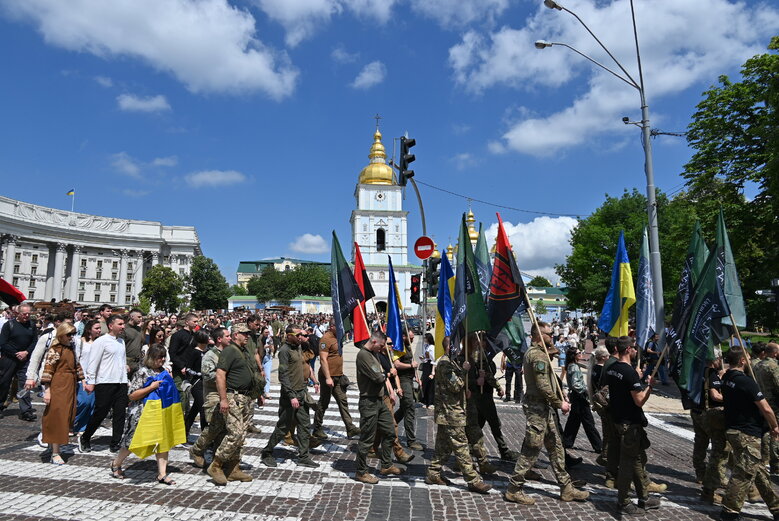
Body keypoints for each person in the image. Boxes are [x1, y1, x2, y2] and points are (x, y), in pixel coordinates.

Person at [504, 321, 588, 505]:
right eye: (549, 334)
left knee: (556, 447)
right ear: (539, 336)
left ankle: (566, 488)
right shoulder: (537, 356)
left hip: (544, 408)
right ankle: (513, 488)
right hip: (537, 409)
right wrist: (560, 404)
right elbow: (542, 386)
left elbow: (550, 379)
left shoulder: (541, 354)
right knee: (531, 449)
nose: (553, 336)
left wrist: (561, 392)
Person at [425, 336, 491, 493]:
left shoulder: (451, 362)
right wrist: (464, 371)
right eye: (455, 346)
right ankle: (473, 480)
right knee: (461, 447)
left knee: (443, 448)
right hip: (450, 413)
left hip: (451, 412)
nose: (459, 349)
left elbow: (457, 388)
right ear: (450, 348)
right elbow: (456, 385)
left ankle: (433, 473)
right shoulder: (444, 364)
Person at [720, 347, 779, 521]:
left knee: (759, 471)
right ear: (742, 361)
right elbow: (766, 408)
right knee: (744, 473)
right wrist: (775, 426)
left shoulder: (727, 378)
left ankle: (776, 507)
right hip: (747, 432)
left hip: (733, 429)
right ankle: (729, 511)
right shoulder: (746, 382)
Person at [606, 335, 660, 515]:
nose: (636, 350)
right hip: (630, 424)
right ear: (628, 350)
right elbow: (639, 401)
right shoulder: (628, 372)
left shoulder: (613, 368)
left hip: (619, 420)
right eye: (634, 348)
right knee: (628, 465)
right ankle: (623, 501)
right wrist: (649, 386)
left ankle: (644, 497)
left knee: (636, 461)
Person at [109, 345, 177, 485]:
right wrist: (151, 387)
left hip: (159, 412)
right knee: (132, 442)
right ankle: (116, 463)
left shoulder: (163, 371)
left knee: (162, 442)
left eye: (163, 356)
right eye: (159, 357)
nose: (162, 359)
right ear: (151, 357)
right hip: (142, 413)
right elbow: (132, 395)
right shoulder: (142, 372)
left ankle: (162, 474)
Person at [206, 323, 257, 485]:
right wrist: (223, 399)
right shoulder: (229, 351)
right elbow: (220, 375)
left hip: (246, 398)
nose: (247, 336)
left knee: (241, 436)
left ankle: (233, 468)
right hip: (233, 396)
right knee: (235, 433)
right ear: (236, 335)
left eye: (248, 333)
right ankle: (216, 465)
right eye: (244, 333)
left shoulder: (243, 351)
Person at [261, 326, 318, 468]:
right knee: (283, 426)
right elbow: (283, 375)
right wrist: (291, 396)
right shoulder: (285, 351)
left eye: (302, 334)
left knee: (304, 425)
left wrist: (313, 382)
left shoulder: (298, 347)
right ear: (289, 335)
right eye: (298, 334)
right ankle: (267, 452)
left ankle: (304, 456)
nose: (300, 337)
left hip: (301, 392)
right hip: (290, 395)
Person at [354, 331, 403, 484]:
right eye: (381, 345)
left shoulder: (374, 354)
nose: (383, 349)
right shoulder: (364, 355)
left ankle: (386, 465)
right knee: (367, 439)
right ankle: (361, 472)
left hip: (380, 400)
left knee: (389, 432)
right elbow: (377, 377)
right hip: (369, 401)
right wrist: (388, 374)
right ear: (374, 342)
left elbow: (380, 373)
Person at [81, 314, 129, 453]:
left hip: (120, 383)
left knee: (120, 414)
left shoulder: (121, 342)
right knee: (100, 412)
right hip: (105, 382)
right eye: (120, 324)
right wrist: (90, 381)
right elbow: (93, 362)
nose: (122, 326)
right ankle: (86, 437)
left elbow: (122, 362)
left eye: (123, 324)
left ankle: (115, 442)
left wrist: (126, 379)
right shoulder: (101, 341)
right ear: (110, 325)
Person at [40, 323, 83, 464]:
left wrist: (83, 380)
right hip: (58, 384)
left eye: (73, 334)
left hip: (69, 384)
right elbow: (48, 369)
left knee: (67, 416)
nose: (72, 337)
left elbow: (76, 365)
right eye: (69, 334)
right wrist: (47, 391)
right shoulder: (55, 349)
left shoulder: (71, 348)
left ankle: (55, 446)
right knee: (57, 416)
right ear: (61, 334)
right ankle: (55, 453)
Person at [190, 327, 231, 468]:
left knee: (224, 427)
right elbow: (207, 376)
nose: (230, 338)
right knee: (214, 426)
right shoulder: (210, 355)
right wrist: (226, 376)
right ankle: (197, 449)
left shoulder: (228, 353)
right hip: (213, 395)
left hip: (226, 394)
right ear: (219, 339)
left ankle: (217, 459)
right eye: (227, 336)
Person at [313, 320, 360, 440]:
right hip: (327, 377)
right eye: (339, 326)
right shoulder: (325, 339)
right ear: (332, 326)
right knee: (324, 402)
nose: (341, 329)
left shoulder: (337, 337)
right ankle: (317, 428)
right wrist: (328, 378)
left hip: (338, 376)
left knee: (343, 401)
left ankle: (350, 428)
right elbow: (323, 360)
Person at [0, 302, 38, 421]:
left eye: (28, 314)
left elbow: (34, 342)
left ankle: (26, 411)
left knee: (24, 385)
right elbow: (3, 343)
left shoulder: (32, 325)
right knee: (4, 383)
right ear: (18, 313)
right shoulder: (9, 325)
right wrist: (17, 353)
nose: (27, 316)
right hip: (9, 358)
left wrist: (26, 352)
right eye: (24, 314)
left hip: (25, 359)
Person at [562, 347, 602, 453]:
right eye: (578, 353)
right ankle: (598, 445)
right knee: (588, 422)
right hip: (579, 397)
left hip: (576, 397)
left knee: (574, 421)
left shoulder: (571, 366)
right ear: (573, 355)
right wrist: (586, 390)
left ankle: (567, 441)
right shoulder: (574, 367)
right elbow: (576, 384)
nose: (581, 354)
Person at [700, 356, 728, 504]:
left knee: (703, 445)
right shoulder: (711, 373)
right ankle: (709, 488)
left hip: (701, 412)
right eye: (719, 358)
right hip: (713, 414)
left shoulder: (698, 371)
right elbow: (715, 395)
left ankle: (706, 480)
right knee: (719, 454)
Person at [393, 331, 422, 451]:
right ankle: (411, 440)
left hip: (410, 379)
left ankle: (388, 426)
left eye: (413, 337)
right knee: (409, 408)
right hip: (403, 380)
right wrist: (411, 366)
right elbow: (397, 364)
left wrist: (416, 376)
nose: (413, 339)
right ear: (403, 336)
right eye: (410, 337)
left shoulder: (408, 347)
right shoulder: (399, 348)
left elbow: (413, 363)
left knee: (404, 408)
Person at [754, 342, 779, 474]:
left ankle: (763, 459)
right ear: (775, 353)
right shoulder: (773, 366)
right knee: (775, 433)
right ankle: (776, 463)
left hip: (761, 401)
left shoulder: (758, 365)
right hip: (774, 404)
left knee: (764, 432)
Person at [73, 319, 101, 434]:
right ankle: (72, 422)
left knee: (91, 404)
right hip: (83, 376)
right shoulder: (80, 342)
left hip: (96, 376)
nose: (99, 330)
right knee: (83, 401)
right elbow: (77, 359)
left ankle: (82, 427)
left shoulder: (100, 342)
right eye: (96, 328)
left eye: (100, 328)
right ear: (89, 330)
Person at [184, 330, 209, 436]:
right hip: (197, 383)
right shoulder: (194, 352)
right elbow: (188, 368)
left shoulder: (208, 352)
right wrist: (199, 374)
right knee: (203, 410)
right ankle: (205, 437)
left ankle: (185, 430)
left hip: (206, 383)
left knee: (195, 409)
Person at [123, 309, 145, 379]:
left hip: (138, 363)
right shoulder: (124, 329)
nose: (141, 319)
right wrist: (124, 363)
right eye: (139, 317)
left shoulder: (139, 329)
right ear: (132, 317)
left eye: (141, 317)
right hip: (127, 363)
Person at [419, 333, 436, 408]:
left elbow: (433, 359)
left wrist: (433, 372)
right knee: (425, 383)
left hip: (430, 366)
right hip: (426, 365)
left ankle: (431, 402)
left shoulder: (432, 347)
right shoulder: (426, 346)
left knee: (430, 384)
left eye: (425, 338)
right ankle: (426, 401)